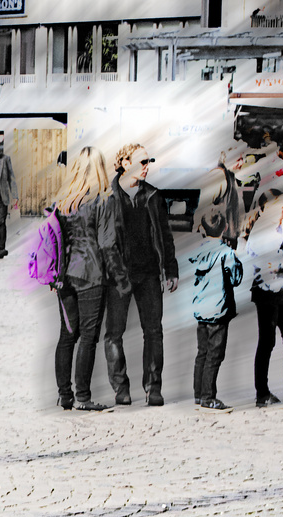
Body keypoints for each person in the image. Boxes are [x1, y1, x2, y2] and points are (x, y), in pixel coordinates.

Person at [101, 143, 179, 407]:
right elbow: (105, 241)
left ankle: (153, 388)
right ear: (124, 163)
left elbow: (165, 236)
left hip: (148, 274)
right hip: (119, 275)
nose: (147, 166)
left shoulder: (153, 196)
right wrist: (115, 273)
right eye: (142, 161)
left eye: (149, 161)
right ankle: (120, 388)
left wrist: (171, 269)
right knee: (114, 333)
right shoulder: (109, 197)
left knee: (154, 331)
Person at [50, 147, 124, 412]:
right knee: (88, 337)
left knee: (67, 335)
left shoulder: (63, 199)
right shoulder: (103, 198)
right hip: (91, 273)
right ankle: (83, 397)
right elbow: (106, 243)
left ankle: (64, 395)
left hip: (63, 275)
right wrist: (119, 276)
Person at [244, 194, 283, 406]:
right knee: (267, 342)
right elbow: (275, 262)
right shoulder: (262, 232)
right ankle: (262, 393)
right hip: (267, 295)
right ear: (272, 208)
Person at [187, 211, 244, 411]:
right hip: (219, 310)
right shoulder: (226, 253)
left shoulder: (198, 251)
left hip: (201, 309)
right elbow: (236, 278)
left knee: (202, 352)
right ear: (225, 228)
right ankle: (208, 396)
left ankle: (198, 394)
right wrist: (236, 258)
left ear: (203, 228)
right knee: (215, 355)